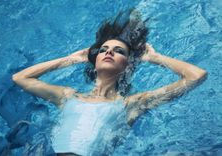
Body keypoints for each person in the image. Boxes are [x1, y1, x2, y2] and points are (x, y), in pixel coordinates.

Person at [12, 10, 207, 156]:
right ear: (94, 61)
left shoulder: (131, 104)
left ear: (128, 66)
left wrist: (155, 57)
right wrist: (70, 59)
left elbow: (196, 76)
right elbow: (20, 78)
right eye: (104, 49)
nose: (109, 52)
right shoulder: (67, 96)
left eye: (119, 51)